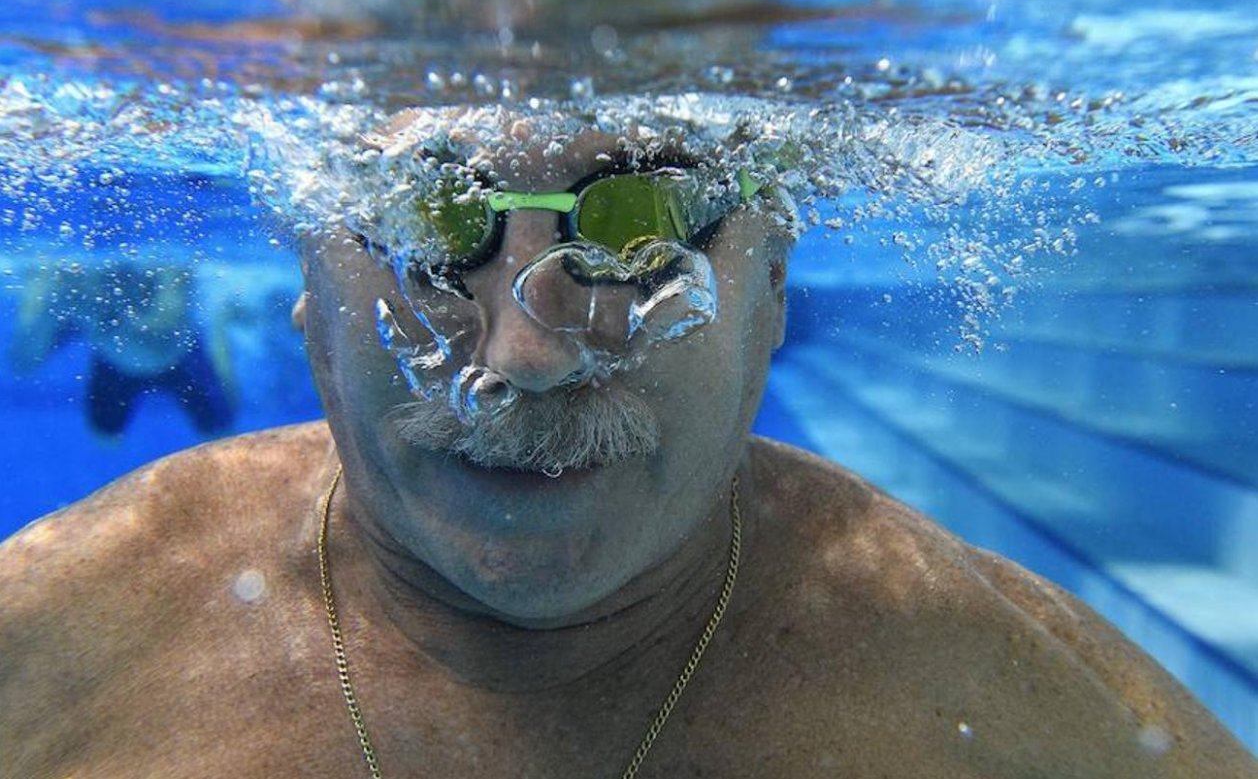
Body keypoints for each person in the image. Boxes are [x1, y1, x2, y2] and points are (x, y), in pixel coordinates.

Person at [1, 111, 1255, 779]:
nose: (524, 358)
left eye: (639, 224)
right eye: (424, 222)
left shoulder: (1041, 727)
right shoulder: (47, 653)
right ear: (309, 291)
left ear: (770, 291)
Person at [8, 260, 237, 438]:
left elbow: (166, 320)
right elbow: (22, 360)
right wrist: (47, 293)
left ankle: (219, 327)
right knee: (105, 434)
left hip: (171, 354)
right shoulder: (85, 290)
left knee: (220, 431)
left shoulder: (163, 285)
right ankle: (219, 327)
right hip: (118, 352)